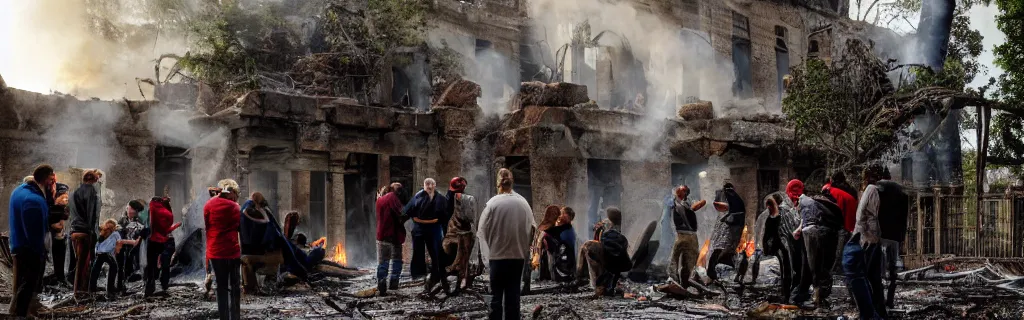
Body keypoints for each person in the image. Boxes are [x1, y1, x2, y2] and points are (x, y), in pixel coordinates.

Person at [478, 168, 535, 320]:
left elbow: (481, 232)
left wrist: (487, 255)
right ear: (512, 182)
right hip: (517, 256)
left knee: (496, 297)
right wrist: (525, 250)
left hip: (497, 256)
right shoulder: (524, 204)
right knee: (513, 296)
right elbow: (532, 230)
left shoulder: (492, 204)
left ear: (498, 183)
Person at [8, 165, 54, 318]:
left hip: (18, 243)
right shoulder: (34, 200)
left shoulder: (20, 190)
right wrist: (40, 252)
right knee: (28, 284)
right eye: (51, 180)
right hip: (29, 248)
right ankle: (20, 315)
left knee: (21, 283)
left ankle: (18, 311)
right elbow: (33, 232)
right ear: (47, 179)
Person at [843, 164, 887, 320]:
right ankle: (875, 311)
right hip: (868, 238)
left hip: (865, 238)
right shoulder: (873, 190)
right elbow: (873, 216)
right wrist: (874, 238)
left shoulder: (868, 190)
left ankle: (875, 311)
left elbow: (868, 216)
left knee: (869, 276)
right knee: (870, 277)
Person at [755, 180, 805, 304]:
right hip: (788, 246)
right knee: (791, 270)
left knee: (789, 271)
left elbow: (776, 231)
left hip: (785, 246)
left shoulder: (779, 214)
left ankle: (789, 295)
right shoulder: (784, 212)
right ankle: (790, 295)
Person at [792, 191, 844, 309]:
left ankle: (814, 298)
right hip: (823, 234)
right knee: (817, 268)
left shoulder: (807, 203)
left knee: (813, 268)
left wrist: (800, 230)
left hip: (815, 235)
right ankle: (816, 297)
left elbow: (807, 222)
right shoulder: (821, 206)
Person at [205, 179, 242, 320]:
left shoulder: (208, 205)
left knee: (221, 287)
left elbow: (207, 228)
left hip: (215, 251)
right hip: (231, 251)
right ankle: (235, 317)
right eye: (235, 193)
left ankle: (224, 317)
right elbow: (240, 228)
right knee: (234, 286)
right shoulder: (235, 207)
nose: (236, 197)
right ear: (230, 192)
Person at [405, 178, 450, 294]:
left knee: (436, 253)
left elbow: (446, 215)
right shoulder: (418, 196)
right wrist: (415, 219)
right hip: (419, 229)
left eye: (431, 184)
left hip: (434, 229)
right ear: (424, 185)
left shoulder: (441, 198)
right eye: (427, 184)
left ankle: (437, 275)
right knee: (418, 252)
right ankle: (418, 275)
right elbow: (408, 210)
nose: (429, 186)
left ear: (435, 185)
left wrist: (440, 225)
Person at [576, 207, 632, 297]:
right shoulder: (619, 236)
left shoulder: (609, 234)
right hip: (615, 267)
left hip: (609, 265)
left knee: (588, 246)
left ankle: (583, 279)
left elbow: (608, 252)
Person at [876, 169, 909, 309]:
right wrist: (902, 237)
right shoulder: (901, 192)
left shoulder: (877, 188)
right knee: (893, 269)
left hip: (880, 235)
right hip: (895, 236)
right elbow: (904, 218)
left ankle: (879, 300)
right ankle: (890, 300)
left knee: (879, 269)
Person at [665, 185, 707, 294]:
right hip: (682, 235)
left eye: (682, 191)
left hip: (690, 236)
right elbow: (669, 203)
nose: (679, 192)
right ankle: (674, 281)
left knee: (688, 262)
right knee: (674, 259)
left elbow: (700, 203)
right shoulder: (674, 202)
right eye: (679, 190)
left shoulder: (686, 203)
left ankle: (684, 284)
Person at [69, 169, 103, 298]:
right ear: (94, 180)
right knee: (84, 263)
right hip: (84, 232)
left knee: (79, 262)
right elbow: (91, 214)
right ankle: (81, 292)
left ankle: (79, 289)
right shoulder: (91, 191)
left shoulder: (73, 192)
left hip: (74, 231)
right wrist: (92, 232)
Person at [240, 192, 282, 295]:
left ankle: (250, 287)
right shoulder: (251, 208)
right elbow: (270, 227)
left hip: (248, 246)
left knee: (247, 261)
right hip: (256, 247)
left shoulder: (249, 208)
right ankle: (253, 286)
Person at [441, 177, 478, 295]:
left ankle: (447, 283)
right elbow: (470, 218)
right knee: (462, 261)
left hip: (447, 236)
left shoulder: (445, 198)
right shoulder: (466, 199)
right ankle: (460, 283)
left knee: (448, 261)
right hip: (462, 235)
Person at [706, 183, 749, 283]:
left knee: (725, 251)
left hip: (731, 233)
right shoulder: (731, 201)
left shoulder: (735, 201)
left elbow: (735, 217)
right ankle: (712, 274)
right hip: (728, 234)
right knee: (720, 250)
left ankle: (720, 274)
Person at [90, 219, 139, 299]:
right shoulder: (115, 234)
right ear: (114, 227)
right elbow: (122, 242)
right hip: (107, 254)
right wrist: (133, 242)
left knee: (95, 270)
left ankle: (92, 289)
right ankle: (110, 290)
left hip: (99, 254)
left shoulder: (102, 233)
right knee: (114, 268)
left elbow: (97, 245)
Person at [145, 196, 181, 297]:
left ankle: (150, 285)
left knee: (152, 264)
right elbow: (166, 230)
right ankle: (163, 284)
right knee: (165, 265)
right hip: (167, 241)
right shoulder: (167, 214)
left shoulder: (152, 212)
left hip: (154, 240)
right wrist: (176, 226)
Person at [375, 182, 406, 296]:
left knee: (383, 260)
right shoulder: (392, 197)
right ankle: (393, 283)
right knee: (397, 259)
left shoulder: (380, 199)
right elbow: (402, 213)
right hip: (394, 234)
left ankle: (381, 282)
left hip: (382, 234)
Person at [826, 172, 858, 275]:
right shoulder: (851, 190)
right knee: (846, 246)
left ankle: (836, 268)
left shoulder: (832, 190)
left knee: (835, 247)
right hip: (850, 221)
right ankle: (844, 266)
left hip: (836, 221)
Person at [535, 206, 576, 283]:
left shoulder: (565, 228)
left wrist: (551, 219)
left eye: (562, 213)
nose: (560, 216)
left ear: (567, 216)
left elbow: (544, 228)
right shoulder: (565, 228)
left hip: (563, 264)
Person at [117, 200, 148, 292]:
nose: (128, 210)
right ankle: (120, 286)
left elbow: (139, 238)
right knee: (120, 267)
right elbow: (118, 236)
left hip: (134, 249)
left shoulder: (140, 223)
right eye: (127, 208)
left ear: (135, 212)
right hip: (122, 248)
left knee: (131, 267)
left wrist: (134, 241)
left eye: (130, 209)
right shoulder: (122, 220)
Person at [45, 177, 70, 286]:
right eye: (63, 195)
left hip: (59, 235)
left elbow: (65, 217)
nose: (65, 198)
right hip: (50, 234)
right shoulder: (49, 205)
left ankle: (60, 276)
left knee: (60, 254)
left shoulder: (63, 207)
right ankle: (56, 276)